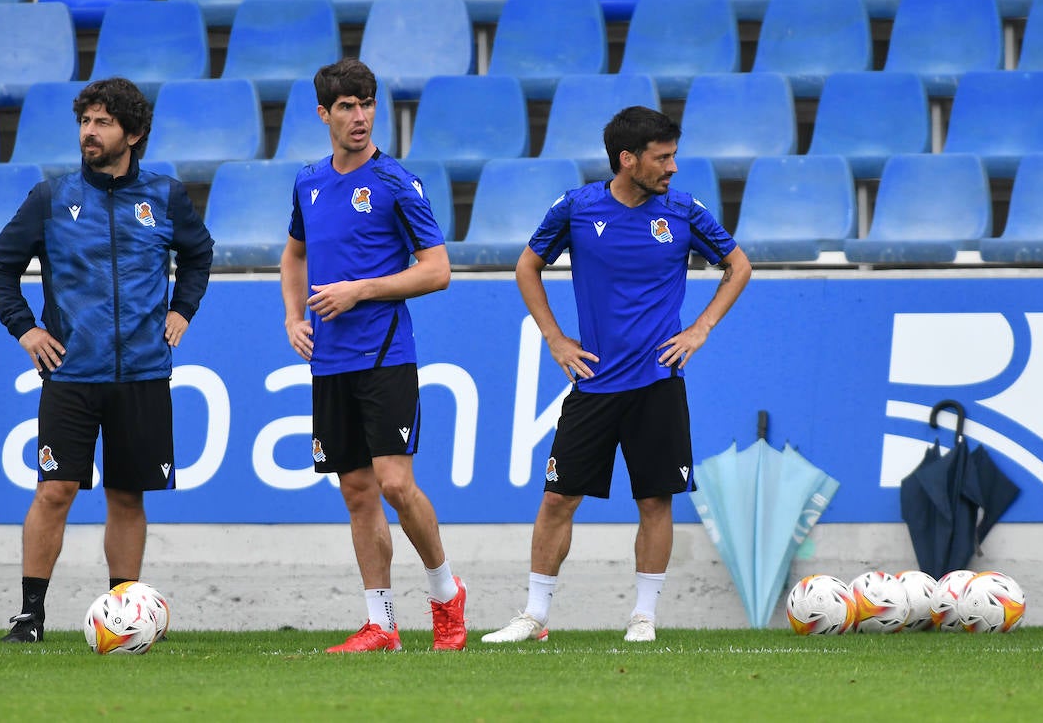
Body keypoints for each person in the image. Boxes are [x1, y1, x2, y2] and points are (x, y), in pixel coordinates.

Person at [483, 105, 751, 644]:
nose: (673, 167)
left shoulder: (683, 211)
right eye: (663, 157)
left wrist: (699, 329)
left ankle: (643, 616)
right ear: (627, 160)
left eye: (674, 155)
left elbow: (738, 265)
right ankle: (535, 615)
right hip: (596, 384)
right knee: (558, 499)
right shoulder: (576, 208)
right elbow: (526, 265)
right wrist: (556, 339)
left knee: (655, 500)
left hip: (657, 383)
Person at [0, 77, 214, 643]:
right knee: (54, 491)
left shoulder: (164, 196)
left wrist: (182, 309)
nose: (89, 131)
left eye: (103, 122)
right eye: (85, 121)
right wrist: (27, 331)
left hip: (141, 375)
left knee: (126, 495)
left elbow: (199, 254)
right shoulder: (51, 198)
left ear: (132, 134)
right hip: (71, 376)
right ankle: (29, 616)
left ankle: (125, 616)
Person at [279, 58, 467, 652]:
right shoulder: (308, 182)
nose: (359, 117)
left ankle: (445, 595)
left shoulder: (395, 182)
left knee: (394, 484)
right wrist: (292, 315)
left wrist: (358, 290)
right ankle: (380, 624)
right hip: (329, 359)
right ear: (323, 114)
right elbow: (294, 256)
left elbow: (437, 271)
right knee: (356, 490)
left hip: (385, 353)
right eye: (346, 107)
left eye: (366, 104)